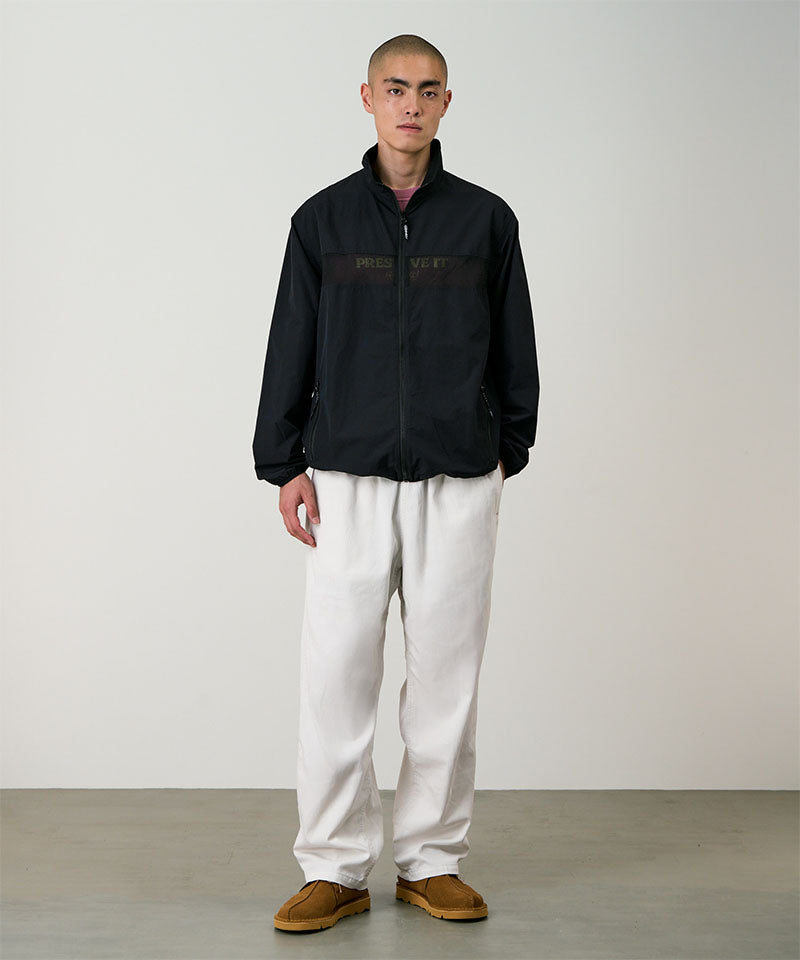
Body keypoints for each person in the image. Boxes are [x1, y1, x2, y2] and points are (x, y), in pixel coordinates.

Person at [253, 34, 539, 933]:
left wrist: (508, 448)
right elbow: (290, 341)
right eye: (395, 88)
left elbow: (516, 342)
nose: (411, 104)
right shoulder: (322, 221)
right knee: (336, 673)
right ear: (368, 98)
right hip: (346, 476)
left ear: (447, 102)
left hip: (459, 477)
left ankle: (431, 859)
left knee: (445, 678)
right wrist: (282, 461)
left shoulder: (486, 220)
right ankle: (334, 867)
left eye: (428, 90)